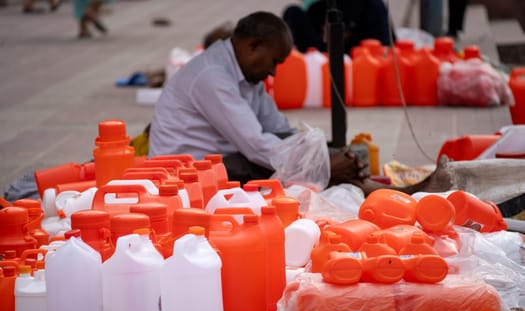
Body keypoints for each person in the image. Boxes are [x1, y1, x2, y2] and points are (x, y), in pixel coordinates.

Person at [148, 11, 451, 196]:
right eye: (274, 62)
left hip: (222, 161)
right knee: (306, 167)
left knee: (320, 159)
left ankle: (395, 193)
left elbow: (278, 129)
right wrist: (322, 164)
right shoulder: (212, 77)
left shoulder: (245, 74)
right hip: (185, 176)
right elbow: (256, 145)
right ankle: (399, 194)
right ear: (254, 46)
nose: (273, 71)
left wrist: (323, 153)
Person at [282, 0, 394, 54]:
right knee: (292, 13)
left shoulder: (372, 7)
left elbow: (386, 49)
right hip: (322, 71)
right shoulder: (316, 10)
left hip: (361, 71)